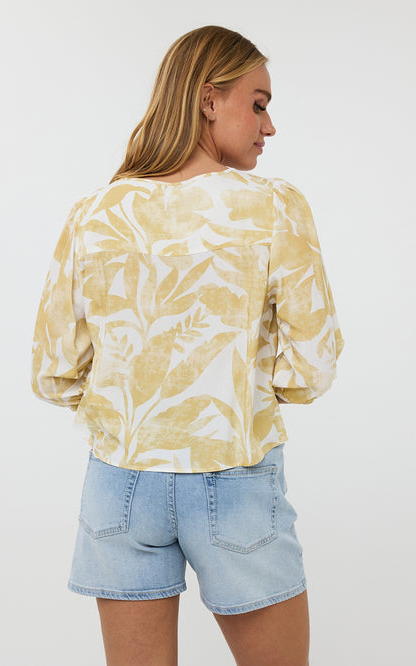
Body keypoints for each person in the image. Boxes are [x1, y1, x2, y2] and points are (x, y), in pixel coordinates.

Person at [30, 25, 344, 666]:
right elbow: (312, 368)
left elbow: (53, 372)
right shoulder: (274, 208)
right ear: (208, 100)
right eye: (258, 103)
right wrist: (238, 386)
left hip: (119, 484)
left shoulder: (95, 213)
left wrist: (136, 396)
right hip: (234, 476)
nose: (270, 126)